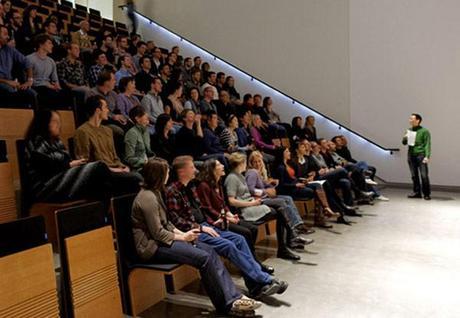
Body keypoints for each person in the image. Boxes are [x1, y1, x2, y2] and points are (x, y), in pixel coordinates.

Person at [131, 158, 261, 315]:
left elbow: (168, 224)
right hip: (152, 247)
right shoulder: (147, 198)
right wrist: (183, 238)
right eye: (166, 172)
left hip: (163, 240)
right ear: (158, 175)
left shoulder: (156, 192)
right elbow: (158, 233)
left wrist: (184, 234)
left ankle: (234, 297)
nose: (168, 175)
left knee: (209, 251)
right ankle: (227, 305)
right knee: (204, 258)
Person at [165, 156, 288, 298]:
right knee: (229, 245)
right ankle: (265, 279)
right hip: (193, 231)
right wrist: (201, 227)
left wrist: (216, 220)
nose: (195, 170)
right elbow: (177, 220)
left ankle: (255, 287)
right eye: (192, 167)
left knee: (240, 239)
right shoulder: (172, 191)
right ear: (181, 171)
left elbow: (201, 211)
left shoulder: (191, 186)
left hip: (206, 225)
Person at [195, 158, 273, 274]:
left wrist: (230, 214)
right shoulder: (204, 186)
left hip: (225, 217)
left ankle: (251, 262)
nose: (223, 166)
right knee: (245, 233)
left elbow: (223, 204)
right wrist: (226, 217)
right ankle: (252, 264)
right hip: (216, 221)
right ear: (212, 169)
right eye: (219, 164)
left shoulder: (218, 183)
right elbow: (208, 208)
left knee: (253, 229)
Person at [224, 152, 300, 260]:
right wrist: (251, 203)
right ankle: (288, 242)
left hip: (252, 204)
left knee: (280, 209)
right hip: (246, 209)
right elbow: (231, 201)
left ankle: (287, 242)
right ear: (241, 163)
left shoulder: (239, 175)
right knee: (279, 211)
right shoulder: (232, 178)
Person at [24, 109, 111, 203]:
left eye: (59, 122)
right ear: (43, 123)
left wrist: (74, 164)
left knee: (101, 180)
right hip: (46, 186)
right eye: (54, 121)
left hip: (61, 178)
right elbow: (45, 168)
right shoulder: (36, 142)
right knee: (98, 168)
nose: (58, 125)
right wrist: (69, 165)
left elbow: (66, 161)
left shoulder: (57, 142)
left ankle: (103, 211)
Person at [74, 95, 143, 195]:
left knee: (144, 174)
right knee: (136, 178)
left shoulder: (108, 131)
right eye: (105, 107)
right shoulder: (82, 131)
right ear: (98, 110)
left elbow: (114, 156)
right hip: (101, 174)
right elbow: (85, 162)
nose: (108, 110)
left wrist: (123, 167)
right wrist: (114, 169)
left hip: (115, 170)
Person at [0, 24, 36, 107]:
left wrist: (29, 80)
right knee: (10, 91)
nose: (8, 37)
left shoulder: (9, 49)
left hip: (11, 83)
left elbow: (27, 62)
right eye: (5, 34)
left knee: (32, 94)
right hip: (4, 83)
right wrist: (7, 82)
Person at [27, 33, 63, 109]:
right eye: (49, 43)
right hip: (36, 87)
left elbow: (55, 80)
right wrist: (46, 85)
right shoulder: (30, 59)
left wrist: (57, 86)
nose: (52, 45)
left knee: (65, 95)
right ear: (41, 45)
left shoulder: (51, 61)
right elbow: (28, 80)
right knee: (48, 94)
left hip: (48, 87)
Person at [402, 113, 431, 200]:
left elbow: (427, 144)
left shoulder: (424, 131)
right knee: (414, 175)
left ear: (417, 120)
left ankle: (426, 194)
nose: (410, 120)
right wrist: (405, 137)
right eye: (410, 118)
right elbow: (404, 143)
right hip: (411, 155)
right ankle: (417, 192)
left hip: (421, 155)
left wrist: (427, 156)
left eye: (412, 119)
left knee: (424, 175)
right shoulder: (409, 130)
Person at [124, 106, 154, 171]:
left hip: (149, 163)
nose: (148, 122)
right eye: (146, 119)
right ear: (137, 119)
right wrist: (145, 162)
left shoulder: (146, 131)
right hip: (139, 167)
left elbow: (149, 152)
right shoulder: (132, 133)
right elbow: (129, 158)